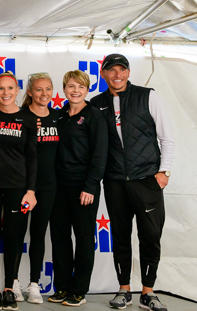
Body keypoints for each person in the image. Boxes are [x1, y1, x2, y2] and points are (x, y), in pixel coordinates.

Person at [92, 54, 175, 311]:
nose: (117, 75)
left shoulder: (147, 96)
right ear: (103, 73)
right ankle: (124, 289)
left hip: (147, 180)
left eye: (122, 70)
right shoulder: (96, 104)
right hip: (115, 181)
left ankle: (148, 292)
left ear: (128, 72)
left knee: (150, 236)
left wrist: (164, 173)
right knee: (120, 237)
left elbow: (167, 138)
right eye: (111, 70)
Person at [0, 72, 38, 311]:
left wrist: (31, 191)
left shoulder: (28, 118)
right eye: (1, 88)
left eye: (10, 88)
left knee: (13, 237)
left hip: (17, 187)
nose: (6, 93)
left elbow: (33, 158)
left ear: (18, 90)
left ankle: (10, 289)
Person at [47, 70, 107, 307]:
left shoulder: (93, 116)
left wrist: (90, 187)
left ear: (87, 90)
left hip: (84, 187)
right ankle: (62, 287)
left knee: (83, 239)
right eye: (71, 86)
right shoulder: (59, 115)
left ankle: (79, 290)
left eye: (80, 87)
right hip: (58, 188)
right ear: (64, 89)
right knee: (60, 238)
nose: (75, 91)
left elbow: (99, 155)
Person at [13, 72, 60, 304]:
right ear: (30, 92)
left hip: (48, 186)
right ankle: (13, 283)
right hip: (21, 186)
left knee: (39, 234)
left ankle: (34, 284)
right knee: (17, 233)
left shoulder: (59, 117)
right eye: (39, 89)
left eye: (48, 89)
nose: (44, 94)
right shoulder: (19, 116)